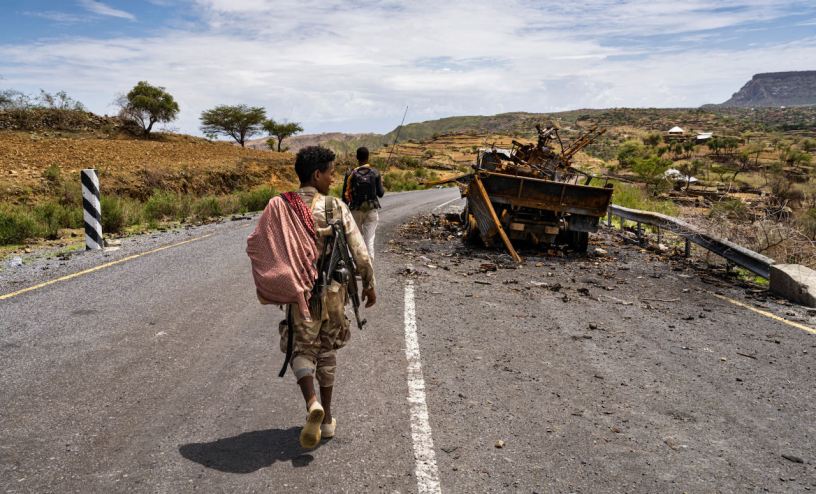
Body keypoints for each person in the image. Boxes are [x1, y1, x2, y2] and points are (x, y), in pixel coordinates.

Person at [282, 145, 376, 448]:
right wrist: (369, 284)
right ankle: (327, 418)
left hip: (299, 294)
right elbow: (360, 251)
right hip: (334, 293)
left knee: (301, 348)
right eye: (330, 173)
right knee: (327, 350)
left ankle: (312, 403)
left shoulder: (284, 206)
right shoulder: (335, 206)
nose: (333, 178)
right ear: (316, 175)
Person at [342, 146, 385, 260]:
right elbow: (380, 194)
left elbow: (344, 197)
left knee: (354, 239)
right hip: (371, 210)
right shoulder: (375, 172)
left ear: (357, 157)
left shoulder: (350, 174)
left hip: (355, 210)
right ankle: (369, 264)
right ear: (368, 157)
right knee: (369, 239)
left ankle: (355, 263)